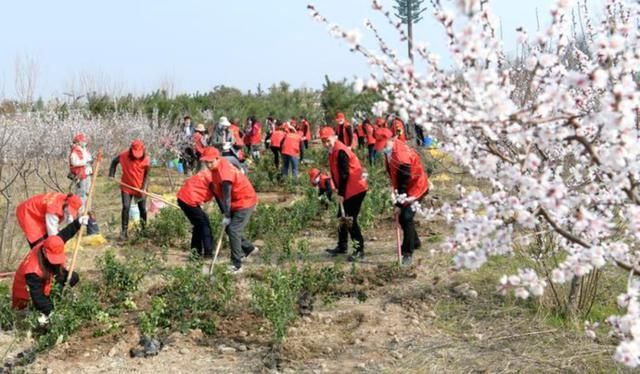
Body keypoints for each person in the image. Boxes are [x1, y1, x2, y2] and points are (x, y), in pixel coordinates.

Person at [12, 214, 89, 319]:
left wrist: (77, 223)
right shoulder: (33, 271)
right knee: (40, 314)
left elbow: (63, 235)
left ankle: (56, 296)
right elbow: (37, 297)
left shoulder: (50, 243)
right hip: (26, 299)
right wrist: (52, 313)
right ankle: (46, 307)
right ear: (44, 252)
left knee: (72, 277)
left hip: (46, 280)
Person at [375, 128, 429, 266]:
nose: (383, 148)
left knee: (406, 217)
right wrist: (396, 192)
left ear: (391, 139)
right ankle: (415, 242)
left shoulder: (401, 156)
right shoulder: (390, 149)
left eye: (384, 144)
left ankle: (407, 252)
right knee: (406, 219)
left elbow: (404, 182)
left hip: (416, 188)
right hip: (406, 188)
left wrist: (399, 204)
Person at [320, 127, 368, 261]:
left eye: (328, 140)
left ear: (334, 137)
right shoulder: (333, 151)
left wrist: (341, 193)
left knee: (349, 219)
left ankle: (359, 250)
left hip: (355, 188)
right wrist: (337, 187)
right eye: (324, 141)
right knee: (341, 217)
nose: (326, 144)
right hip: (348, 188)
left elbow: (345, 174)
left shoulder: (341, 151)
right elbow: (338, 173)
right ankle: (342, 246)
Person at [206, 151, 259, 274]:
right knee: (229, 229)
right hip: (237, 200)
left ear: (217, 158)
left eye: (211, 162)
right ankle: (249, 248)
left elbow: (227, 197)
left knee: (233, 230)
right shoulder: (220, 164)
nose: (208, 165)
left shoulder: (225, 175)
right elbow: (234, 159)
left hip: (244, 200)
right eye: (206, 162)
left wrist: (227, 215)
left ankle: (237, 264)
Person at [176, 147, 218, 258]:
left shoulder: (209, 173)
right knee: (204, 224)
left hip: (184, 198)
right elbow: (218, 196)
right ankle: (208, 253)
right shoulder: (212, 176)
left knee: (199, 224)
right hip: (188, 200)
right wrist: (226, 211)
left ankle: (195, 253)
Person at [108, 140, 151, 240]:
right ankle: (124, 232)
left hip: (140, 187)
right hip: (126, 186)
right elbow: (114, 162)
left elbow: (147, 175)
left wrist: (143, 189)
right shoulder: (123, 155)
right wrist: (111, 174)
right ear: (131, 150)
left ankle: (143, 230)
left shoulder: (146, 159)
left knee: (142, 209)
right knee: (126, 207)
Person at [16, 193, 83, 248]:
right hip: (28, 213)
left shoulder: (64, 199)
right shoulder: (53, 210)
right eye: (70, 209)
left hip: (39, 212)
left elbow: (67, 217)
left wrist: (75, 224)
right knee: (39, 243)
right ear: (66, 203)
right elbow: (53, 236)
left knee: (48, 238)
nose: (70, 212)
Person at [68, 133, 93, 209]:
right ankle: (80, 209)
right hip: (80, 174)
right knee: (81, 192)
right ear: (78, 141)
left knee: (88, 192)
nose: (84, 142)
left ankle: (87, 208)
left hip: (87, 173)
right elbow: (74, 162)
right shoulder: (75, 150)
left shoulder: (84, 149)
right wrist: (85, 162)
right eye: (82, 140)